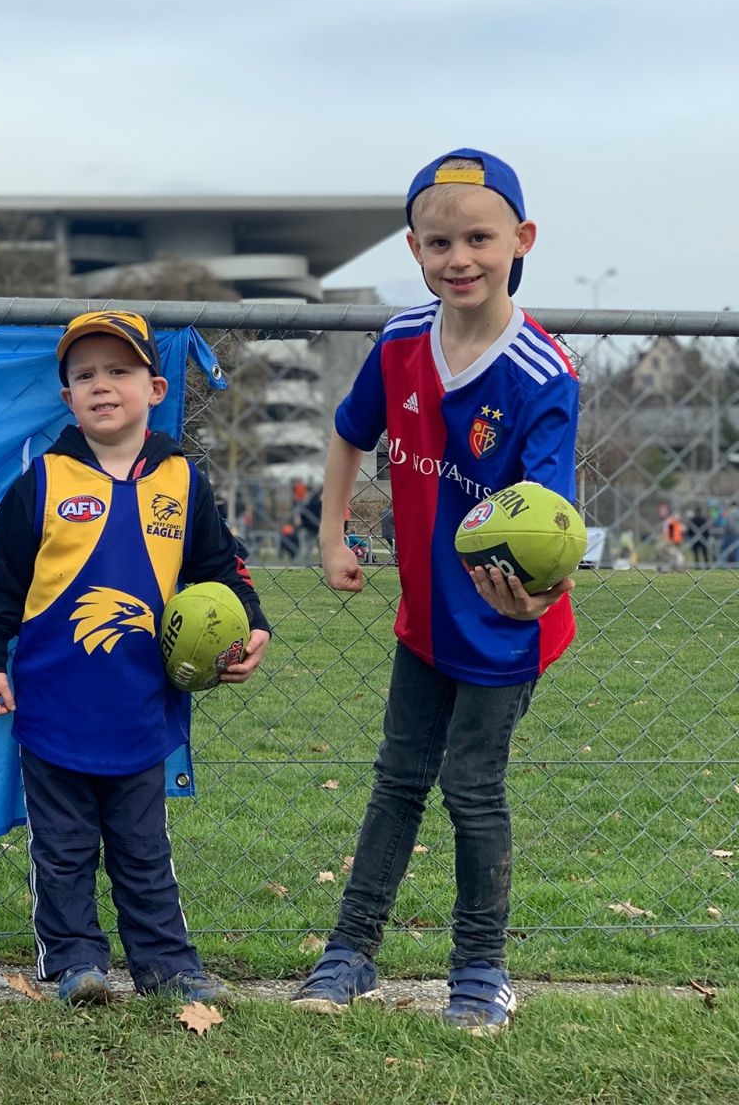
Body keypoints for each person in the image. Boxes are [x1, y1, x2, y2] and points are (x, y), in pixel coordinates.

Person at [291, 150, 579, 1036]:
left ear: (521, 240)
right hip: (424, 617)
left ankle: (480, 969)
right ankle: (350, 953)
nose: (461, 257)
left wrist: (537, 594)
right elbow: (348, 436)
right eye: (440, 241)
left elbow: (552, 521)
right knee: (396, 777)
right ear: (415, 248)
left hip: (504, 621)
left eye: (480, 239)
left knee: (472, 785)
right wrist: (333, 532)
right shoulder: (400, 341)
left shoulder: (541, 373)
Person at [0, 310, 271, 1006]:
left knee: (144, 852)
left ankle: (167, 964)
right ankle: (74, 962)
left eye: (119, 371)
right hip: (53, 706)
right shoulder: (41, 482)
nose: (102, 386)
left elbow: (223, 568)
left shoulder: (184, 483)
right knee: (64, 850)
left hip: (143, 709)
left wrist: (250, 625)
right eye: (84, 376)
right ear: (66, 398)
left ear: (156, 387)